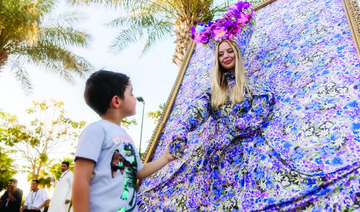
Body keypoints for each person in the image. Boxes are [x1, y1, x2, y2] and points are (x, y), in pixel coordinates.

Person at [72, 70, 175, 212]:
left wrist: (165, 158)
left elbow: (140, 171)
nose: (134, 98)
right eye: (131, 93)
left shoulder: (125, 136)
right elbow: (81, 179)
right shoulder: (96, 130)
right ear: (116, 101)